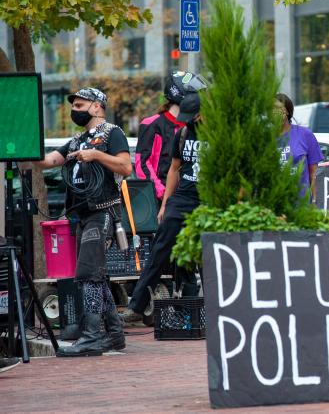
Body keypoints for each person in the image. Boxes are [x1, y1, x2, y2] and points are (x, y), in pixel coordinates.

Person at [36, 87, 132, 357]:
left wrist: (97, 155)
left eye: (80, 105)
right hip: (82, 214)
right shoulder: (78, 139)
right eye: (74, 105)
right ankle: (114, 336)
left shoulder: (113, 133)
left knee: (88, 275)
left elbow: (126, 167)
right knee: (96, 276)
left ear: (97, 107)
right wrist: (23, 149)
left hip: (104, 213)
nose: (75, 109)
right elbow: (51, 160)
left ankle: (92, 336)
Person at [120, 87, 206, 323]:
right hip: (182, 199)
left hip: (207, 200)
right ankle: (136, 306)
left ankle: (216, 309)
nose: (188, 122)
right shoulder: (183, 134)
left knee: (206, 256)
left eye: (192, 117)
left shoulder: (219, 134)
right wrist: (165, 205)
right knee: (159, 250)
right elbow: (174, 169)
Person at [135, 71, 204, 202]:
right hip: (159, 198)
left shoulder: (194, 126)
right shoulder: (151, 124)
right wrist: (162, 192)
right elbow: (142, 163)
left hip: (187, 197)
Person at [276, 93, 324, 201]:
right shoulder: (266, 138)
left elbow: (314, 174)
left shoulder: (304, 134)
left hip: (302, 206)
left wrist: (315, 202)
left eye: (278, 108)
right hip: (275, 206)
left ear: (287, 111)